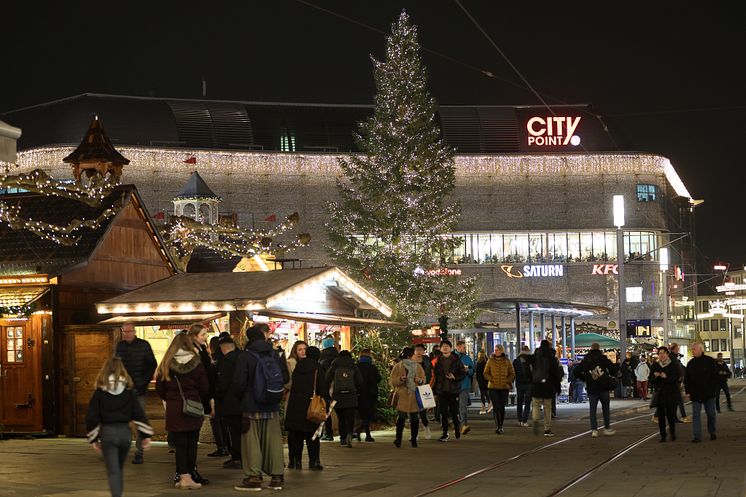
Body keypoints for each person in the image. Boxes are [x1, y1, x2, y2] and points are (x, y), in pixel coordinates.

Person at [86, 357, 153, 497]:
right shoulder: (129, 392)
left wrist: (93, 439)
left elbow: (92, 416)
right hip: (125, 434)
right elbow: (138, 413)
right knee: (119, 469)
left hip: (108, 433)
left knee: (113, 471)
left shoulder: (100, 392)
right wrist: (146, 436)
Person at [233, 326, 289, 491]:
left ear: (249, 339)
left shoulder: (245, 356)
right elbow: (285, 377)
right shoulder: (276, 354)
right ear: (264, 338)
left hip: (251, 406)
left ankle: (254, 477)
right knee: (273, 442)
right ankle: (277, 477)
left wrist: (242, 398)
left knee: (251, 442)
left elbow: (238, 383)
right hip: (272, 405)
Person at [155, 332, 210, 489]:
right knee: (192, 443)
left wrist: (171, 399)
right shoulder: (196, 363)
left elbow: (160, 388)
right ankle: (188, 476)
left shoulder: (166, 363)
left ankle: (183, 476)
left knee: (179, 444)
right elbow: (204, 388)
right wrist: (196, 397)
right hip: (192, 407)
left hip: (174, 408)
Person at [114, 322, 157, 465]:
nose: (126, 334)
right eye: (124, 332)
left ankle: (139, 452)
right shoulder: (120, 346)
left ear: (134, 331)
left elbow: (152, 364)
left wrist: (143, 381)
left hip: (139, 389)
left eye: (129, 331)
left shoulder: (143, 345)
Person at [284, 345, 325, 470]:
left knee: (295, 435)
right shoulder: (317, 368)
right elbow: (322, 388)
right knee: (312, 435)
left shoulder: (298, 367)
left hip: (295, 405)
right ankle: (314, 462)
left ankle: (295, 461)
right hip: (310, 405)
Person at [576, 342, 617, 437]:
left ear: (591, 348)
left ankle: (594, 430)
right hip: (603, 387)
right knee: (606, 408)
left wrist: (585, 378)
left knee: (592, 410)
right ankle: (607, 428)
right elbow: (613, 369)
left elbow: (576, 371)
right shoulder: (603, 358)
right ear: (599, 348)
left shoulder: (586, 359)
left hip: (592, 388)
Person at [325, 350, 363, 447]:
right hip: (351, 395)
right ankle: (349, 434)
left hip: (337, 395)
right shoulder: (353, 365)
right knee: (350, 417)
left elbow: (327, 379)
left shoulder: (334, 365)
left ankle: (342, 438)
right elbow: (360, 381)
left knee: (341, 418)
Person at [215, 335, 242, 469]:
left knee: (233, 432)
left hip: (230, 402)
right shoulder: (244, 358)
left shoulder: (225, 361)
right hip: (245, 402)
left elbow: (222, 383)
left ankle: (237, 457)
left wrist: (216, 395)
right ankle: (245, 456)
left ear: (223, 348)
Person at [390, 347, 426, 447]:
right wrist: (400, 379)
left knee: (414, 418)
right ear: (410, 356)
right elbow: (392, 381)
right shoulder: (398, 366)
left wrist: (419, 380)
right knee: (401, 418)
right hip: (402, 395)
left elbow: (423, 379)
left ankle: (414, 439)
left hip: (414, 394)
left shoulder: (418, 367)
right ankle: (398, 439)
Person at [684, 343, 720, 443]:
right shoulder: (690, 363)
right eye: (692, 349)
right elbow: (687, 379)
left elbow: (715, 376)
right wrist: (688, 391)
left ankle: (712, 431)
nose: (693, 351)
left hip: (708, 394)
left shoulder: (709, 361)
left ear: (700, 349)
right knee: (695, 416)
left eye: (694, 349)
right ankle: (697, 436)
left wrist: (713, 389)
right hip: (695, 394)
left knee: (711, 414)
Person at [433, 340, 465, 441]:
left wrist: (454, 377)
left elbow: (462, 373)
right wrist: (434, 391)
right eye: (443, 346)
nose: (445, 348)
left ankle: (456, 428)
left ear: (451, 348)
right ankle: (445, 433)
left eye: (447, 346)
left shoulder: (456, 359)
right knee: (443, 412)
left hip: (453, 390)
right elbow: (434, 377)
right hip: (441, 390)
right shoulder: (438, 361)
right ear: (441, 349)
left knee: (453, 412)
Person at [530, 340, 562, 437]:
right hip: (548, 386)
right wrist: (558, 387)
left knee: (536, 405)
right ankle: (547, 429)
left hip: (536, 385)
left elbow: (528, 370)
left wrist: (530, 380)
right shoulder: (552, 359)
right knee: (548, 408)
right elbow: (556, 374)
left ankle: (535, 420)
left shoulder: (534, 357)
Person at [650, 346, 680, 442]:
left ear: (667, 354)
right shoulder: (655, 366)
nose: (661, 355)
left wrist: (666, 376)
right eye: (660, 353)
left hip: (671, 393)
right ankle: (663, 435)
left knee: (671, 415)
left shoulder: (673, 365)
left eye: (663, 353)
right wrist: (655, 377)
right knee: (661, 416)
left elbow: (677, 378)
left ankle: (672, 432)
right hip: (660, 394)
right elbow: (651, 380)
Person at [483, 344, 515, 434]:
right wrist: (491, 379)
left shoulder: (507, 361)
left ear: (502, 351)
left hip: (504, 388)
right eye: (495, 350)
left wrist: (507, 380)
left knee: (502, 408)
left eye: (498, 350)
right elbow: (485, 373)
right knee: (496, 407)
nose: (496, 351)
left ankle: (501, 424)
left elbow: (512, 373)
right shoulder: (490, 361)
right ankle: (498, 426)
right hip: (493, 387)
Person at [207, 335, 230, 459]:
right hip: (225, 395)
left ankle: (221, 447)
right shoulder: (225, 359)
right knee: (224, 422)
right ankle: (226, 446)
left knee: (216, 421)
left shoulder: (213, 359)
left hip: (216, 394)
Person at [354, 348, 382, 442]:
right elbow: (379, 379)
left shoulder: (356, 366)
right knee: (368, 414)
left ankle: (359, 430)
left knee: (361, 414)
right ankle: (366, 433)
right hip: (371, 394)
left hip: (359, 393)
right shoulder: (372, 367)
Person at [318, 337, 339, 441]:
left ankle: (328, 433)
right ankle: (343, 432)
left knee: (326, 410)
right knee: (340, 410)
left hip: (325, 387)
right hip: (338, 387)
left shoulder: (322, 358)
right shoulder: (338, 356)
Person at [413, 343, 433, 439]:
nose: (419, 351)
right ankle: (414, 434)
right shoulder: (410, 361)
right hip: (412, 388)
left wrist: (430, 385)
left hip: (424, 388)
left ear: (424, 351)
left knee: (422, 412)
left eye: (421, 349)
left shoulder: (427, 361)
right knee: (413, 412)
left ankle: (426, 428)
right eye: (417, 349)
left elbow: (431, 374)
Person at [455, 341, 475, 434]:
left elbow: (472, 371)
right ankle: (456, 424)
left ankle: (464, 425)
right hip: (453, 386)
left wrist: (468, 370)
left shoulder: (467, 358)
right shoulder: (452, 357)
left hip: (464, 385)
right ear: (457, 347)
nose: (464, 349)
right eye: (463, 347)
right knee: (453, 407)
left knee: (463, 406)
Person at [669, 342, 691, 422]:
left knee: (676, 401)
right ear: (674, 349)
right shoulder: (671, 358)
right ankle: (683, 416)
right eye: (677, 348)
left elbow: (679, 367)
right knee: (678, 400)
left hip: (676, 382)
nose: (678, 349)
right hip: (673, 382)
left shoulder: (675, 358)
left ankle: (675, 417)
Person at [512, 346, 532, 426]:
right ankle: (524, 421)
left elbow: (513, 373)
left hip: (519, 384)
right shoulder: (530, 360)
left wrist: (511, 383)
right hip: (529, 384)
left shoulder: (516, 361)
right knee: (527, 403)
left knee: (519, 402)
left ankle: (519, 420)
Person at [476, 351, 491, 415]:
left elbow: (477, 373)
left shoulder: (479, 363)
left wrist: (477, 380)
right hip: (487, 380)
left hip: (481, 380)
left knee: (482, 393)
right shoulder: (488, 361)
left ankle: (483, 408)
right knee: (487, 393)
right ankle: (490, 405)